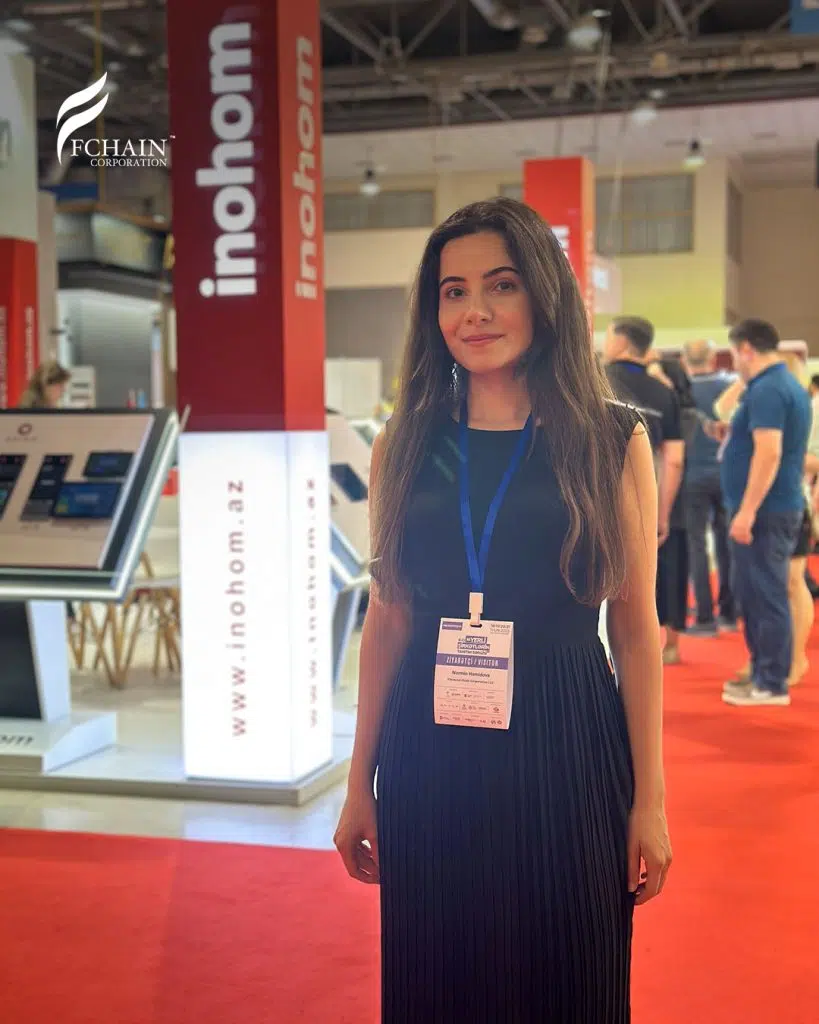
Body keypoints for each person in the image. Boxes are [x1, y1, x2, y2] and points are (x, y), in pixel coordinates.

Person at [334, 198, 671, 1023]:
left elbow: (635, 632)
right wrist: (357, 783)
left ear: (543, 296)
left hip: (568, 735)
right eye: (452, 291)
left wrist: (650, 800)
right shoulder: (405, 441)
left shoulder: (609, 437)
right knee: (439, 976)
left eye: (500, 285)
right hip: (429, 747)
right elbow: (389, 617)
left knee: (569, 976)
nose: (473, 311)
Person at [720, 321, 811, 707]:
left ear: (746, 349)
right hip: (771, 507)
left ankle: (771, 682)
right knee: (757, 593)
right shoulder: (780, 384)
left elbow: (769, 452)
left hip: (766, 510)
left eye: (734, 355)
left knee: (766, 594)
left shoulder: (770, 388)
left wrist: (747, 511)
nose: (735, 363)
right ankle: (763, 673)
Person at [603, 317, 686, 665]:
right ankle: (671, 646)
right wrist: (661, 514)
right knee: (654, 578)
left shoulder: (595, 380)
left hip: (598, 501)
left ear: (621, 342)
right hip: (645, 498)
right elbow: (674, 459)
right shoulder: (664, 392)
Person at [681, 339, 737, 635]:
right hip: (725, 473)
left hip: (692, 475)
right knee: (726, 541)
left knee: (696, 544)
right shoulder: (729, 386)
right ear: (713, 358)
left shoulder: (682, 390)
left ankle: (704, 616)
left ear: (684, 360)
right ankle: (729, 612)